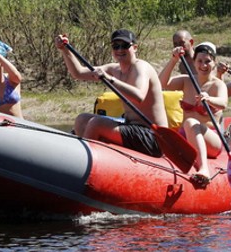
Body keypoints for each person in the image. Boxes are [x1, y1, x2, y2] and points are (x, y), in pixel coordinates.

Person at [54, 29, 168, 157]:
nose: (120, 50)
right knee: (82, 120)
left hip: (152, 136)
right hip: (130, 127)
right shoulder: (114, 69)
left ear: (135, 48)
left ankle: (84, 160)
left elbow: (139, 96)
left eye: (125, 45)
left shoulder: (141, 67)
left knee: (96, 124)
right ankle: (93, 159)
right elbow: (78, 73)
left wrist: (110, 79)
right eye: (116, 46)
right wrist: (65, 50)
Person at [161, 42, 227, 186]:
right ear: (194, 62)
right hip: (186, 138)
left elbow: (223, 103)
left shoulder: (218, 85)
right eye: (200, 61)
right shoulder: (186, 80)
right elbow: (162, 83)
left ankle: (204, 168)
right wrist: (173, 60)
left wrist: (209, 99)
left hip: (211, 141)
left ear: (214, 63)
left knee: (190, 122)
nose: (204, 65)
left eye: (208, 61)